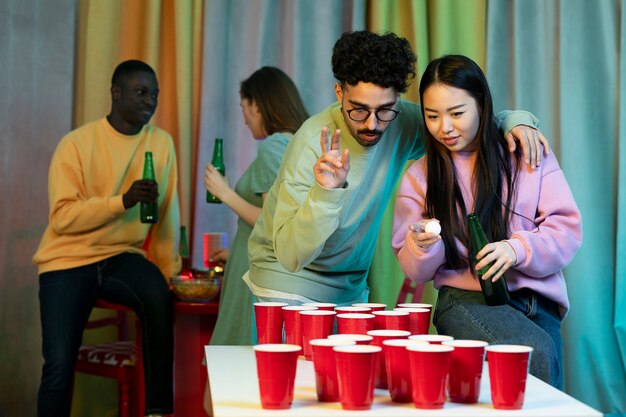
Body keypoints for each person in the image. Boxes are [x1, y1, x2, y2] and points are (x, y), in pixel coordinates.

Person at [245, 30, 549, 308]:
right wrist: (326, 192)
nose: (372, 124)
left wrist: (515, 121)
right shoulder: (312, 143)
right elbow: (290, 255)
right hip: (286, 282)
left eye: (385, 109)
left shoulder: (401, 122)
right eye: (359, 109)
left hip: (349, 287)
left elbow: (462, 125)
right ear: (339, 93)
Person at [392, 54, 582, 388]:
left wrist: (517, 249)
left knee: (549, 388)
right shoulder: (419, 176)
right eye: (432, 116)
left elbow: (566, 231)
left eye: (457, 113)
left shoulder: (526, 152)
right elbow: (414, 270)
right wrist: (422, 246)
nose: (444, 127)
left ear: (481, 104)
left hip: (539, 302)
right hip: (466, 300)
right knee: (533, 353)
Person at [33, 60, 180, 417]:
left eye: (155, 94)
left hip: (121, 257)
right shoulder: (76, 144)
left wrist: (169, 272)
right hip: (66, 258)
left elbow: (166, 218)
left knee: (160, 301)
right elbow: (63, 218)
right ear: (116, 93)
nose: (150, 101)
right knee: (58, 364)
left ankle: (158, 411)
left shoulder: (161, 143)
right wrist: (122, 201)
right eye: (141, 92)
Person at [204, 66, 309, 345]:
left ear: (258, 106)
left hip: (257, 274)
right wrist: (235, 250)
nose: (245, 119)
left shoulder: (274, 146)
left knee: (231, 364)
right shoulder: (298, 144)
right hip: (253, 263)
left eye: (244, 108)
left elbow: (272, 222)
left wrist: (224, 192)